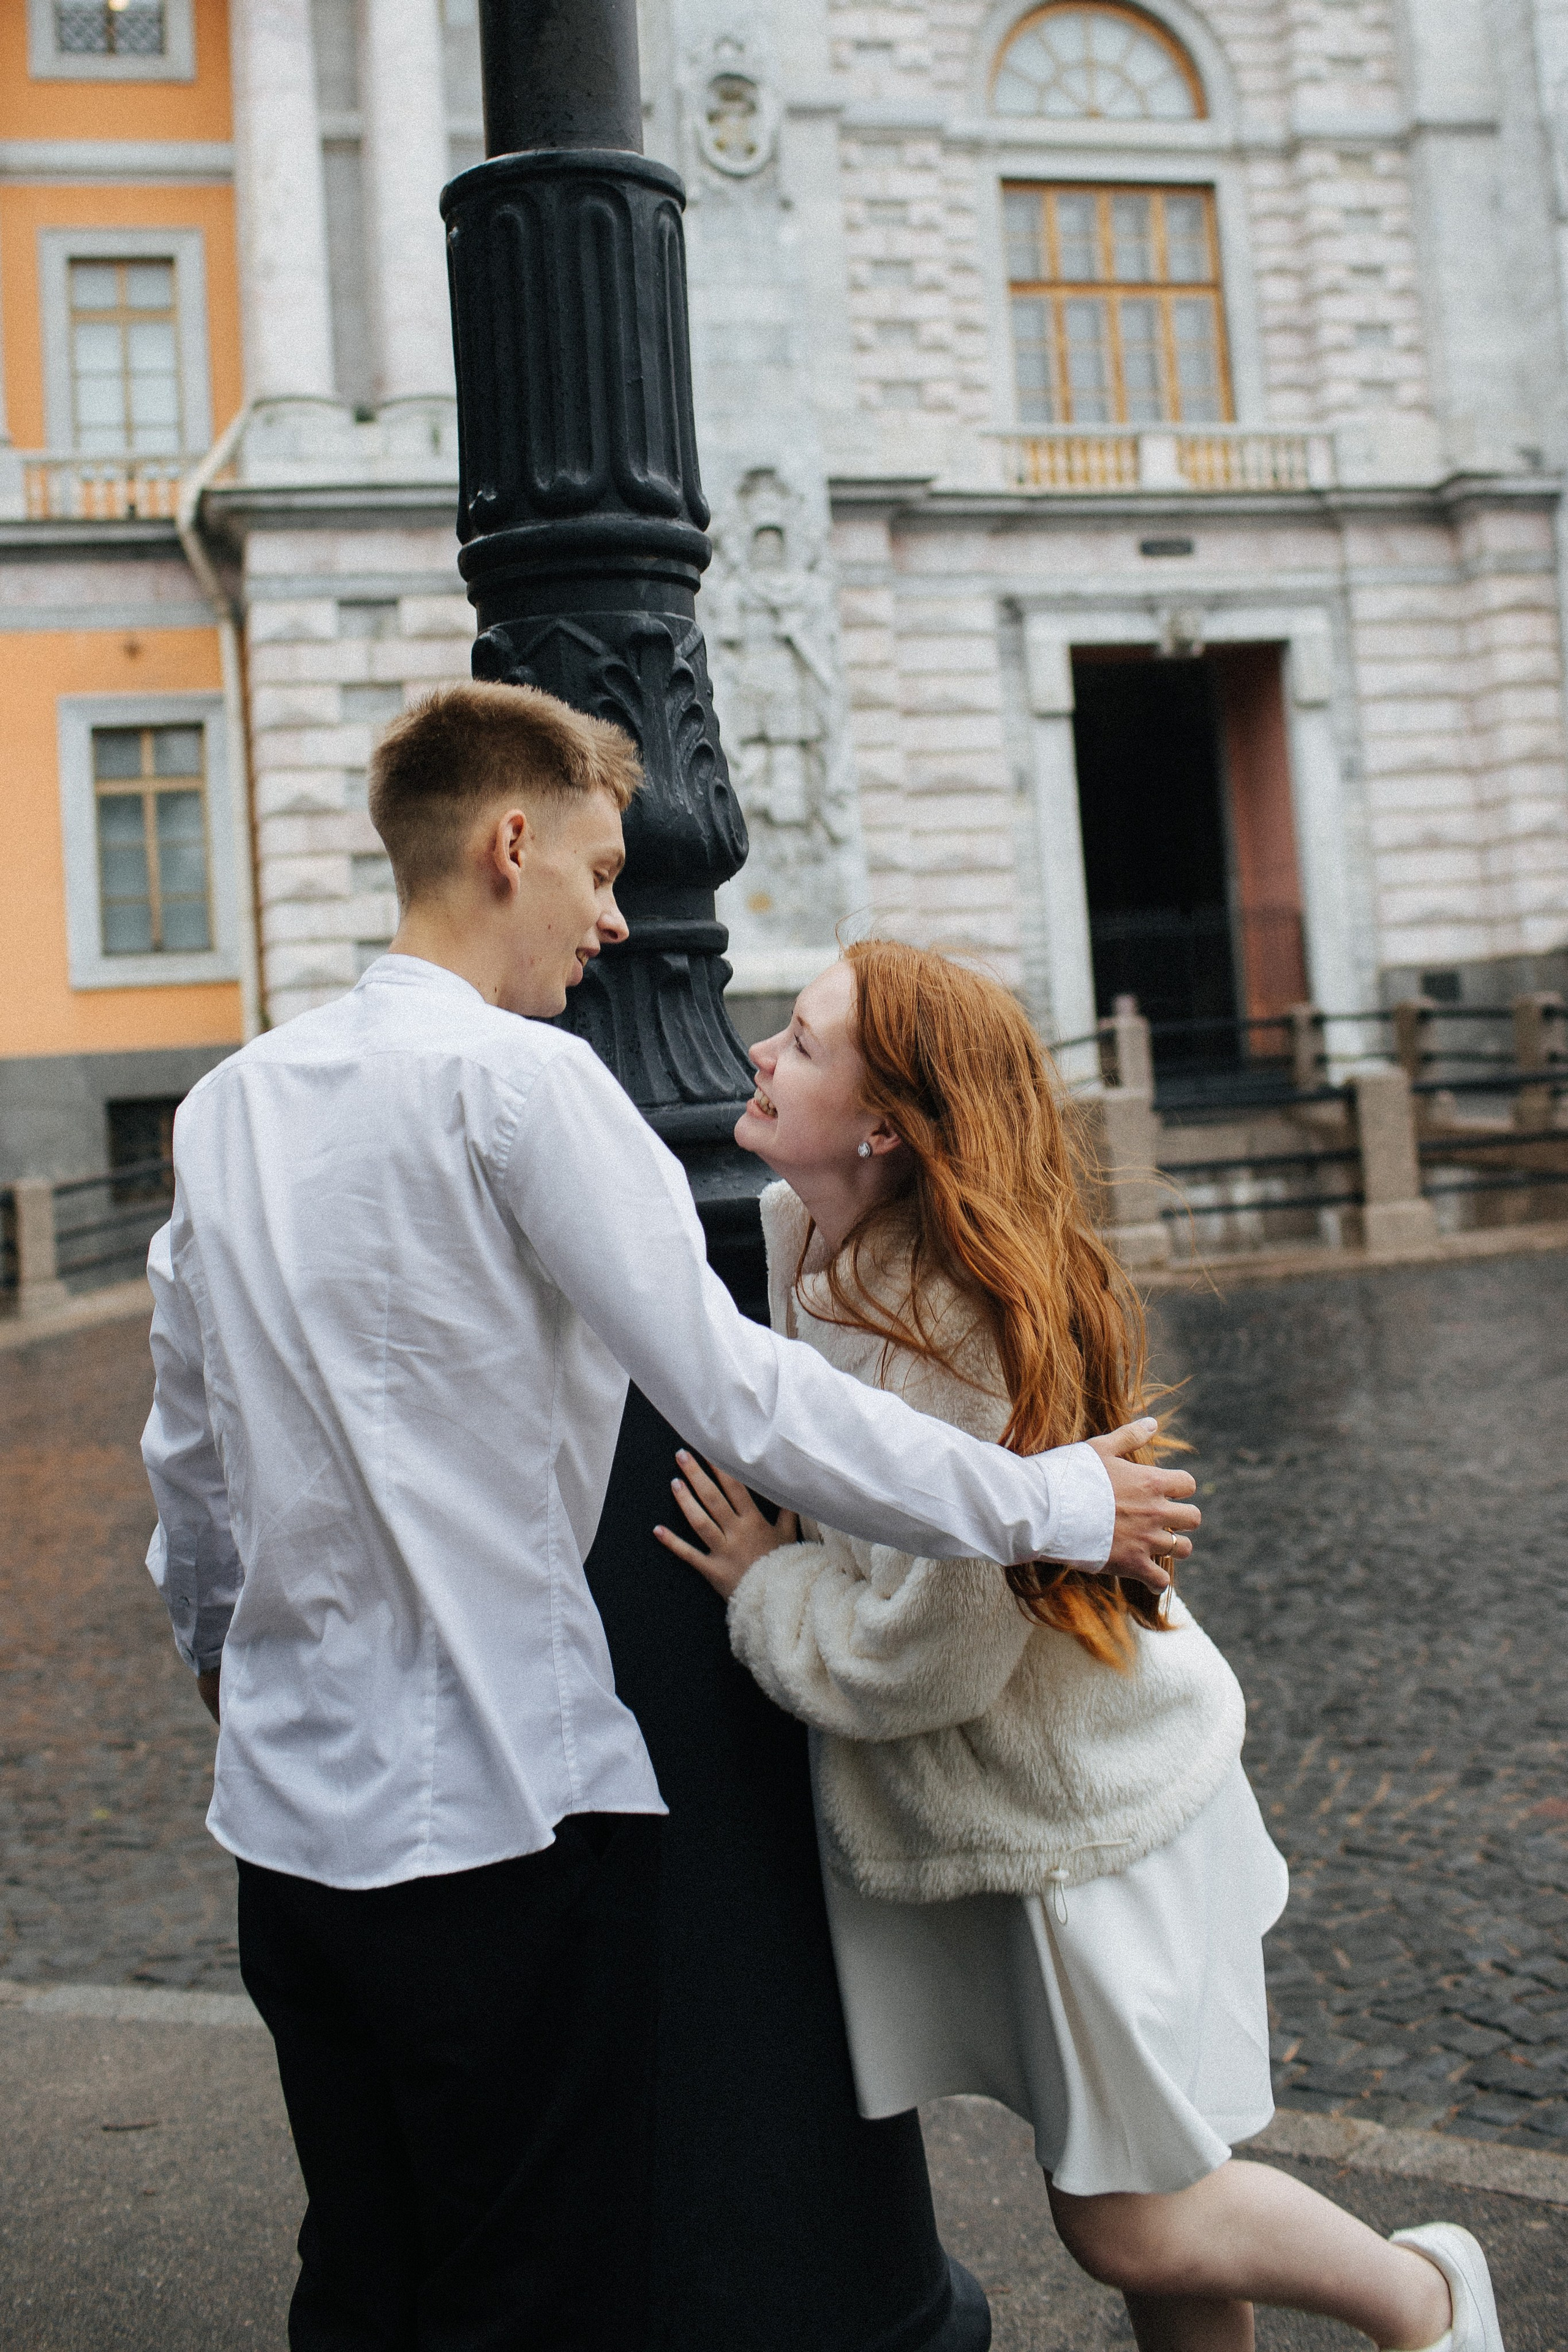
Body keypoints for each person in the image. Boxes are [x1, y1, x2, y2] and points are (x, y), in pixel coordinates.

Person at [140, 682, 1200, 2352]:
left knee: (357, 2269)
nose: (619, 916)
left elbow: (187, 1458)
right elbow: (745, 1397)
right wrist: (1052, 1497)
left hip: (288, 1829)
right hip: (502, 1807)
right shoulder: (529, 1089)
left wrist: (221, 1654)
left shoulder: (228, 1109)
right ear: (510, 845)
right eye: (601, 865)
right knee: (534, 2281)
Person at [655, 940, 1504, 2352]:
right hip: (1060, 1815)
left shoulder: (965, 1335)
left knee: (1127, 2222)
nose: (754, 1056)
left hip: (1088, 1836)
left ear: (882, 1123)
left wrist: (763, 1591)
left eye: (798, 1044)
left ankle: (1423, 2298)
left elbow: (921, 1661)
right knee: (1168, 2230)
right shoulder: (811, 1239)